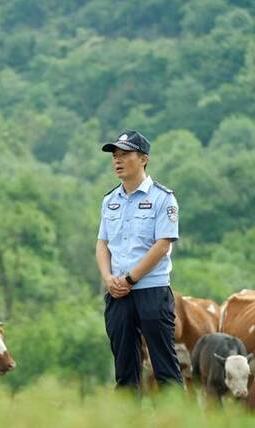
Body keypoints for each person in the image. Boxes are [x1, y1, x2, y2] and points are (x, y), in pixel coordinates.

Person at [95, 130, 182, 391]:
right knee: (124, 372)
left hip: (151, 291)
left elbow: (162, 244)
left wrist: (131, 278)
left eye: (124, 154)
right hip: (118, 294)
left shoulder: (163, 198)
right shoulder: (110, 200)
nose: (117, 161)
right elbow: (102, 243)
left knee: (165, 368)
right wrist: (109, 279)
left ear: (143, 159)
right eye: (114, 156)